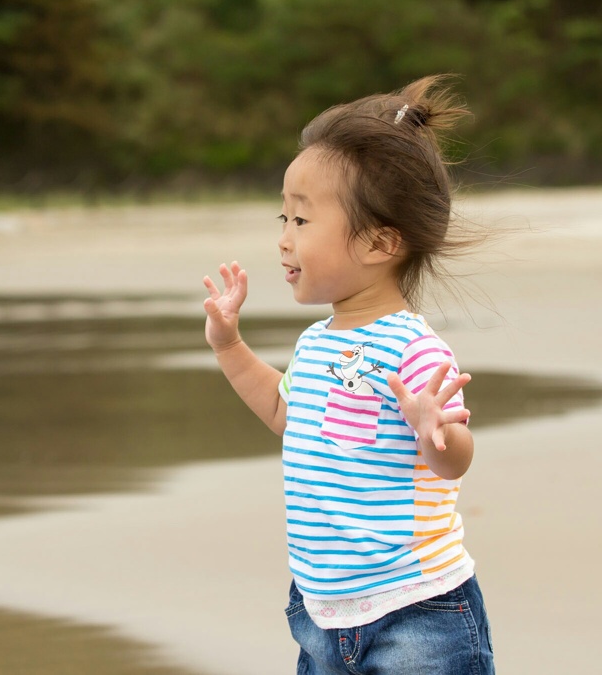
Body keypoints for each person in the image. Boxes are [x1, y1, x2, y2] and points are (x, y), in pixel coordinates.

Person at [202, 76, 495, 674]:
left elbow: (455, 459)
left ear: (381, 242)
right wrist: (230, 346)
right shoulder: (316, 343)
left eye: (302, 223)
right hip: (321, 611)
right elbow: (288, 416)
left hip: (417, 609)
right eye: (282, 217)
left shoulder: (413, 348)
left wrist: (435, 430)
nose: (283, 240)